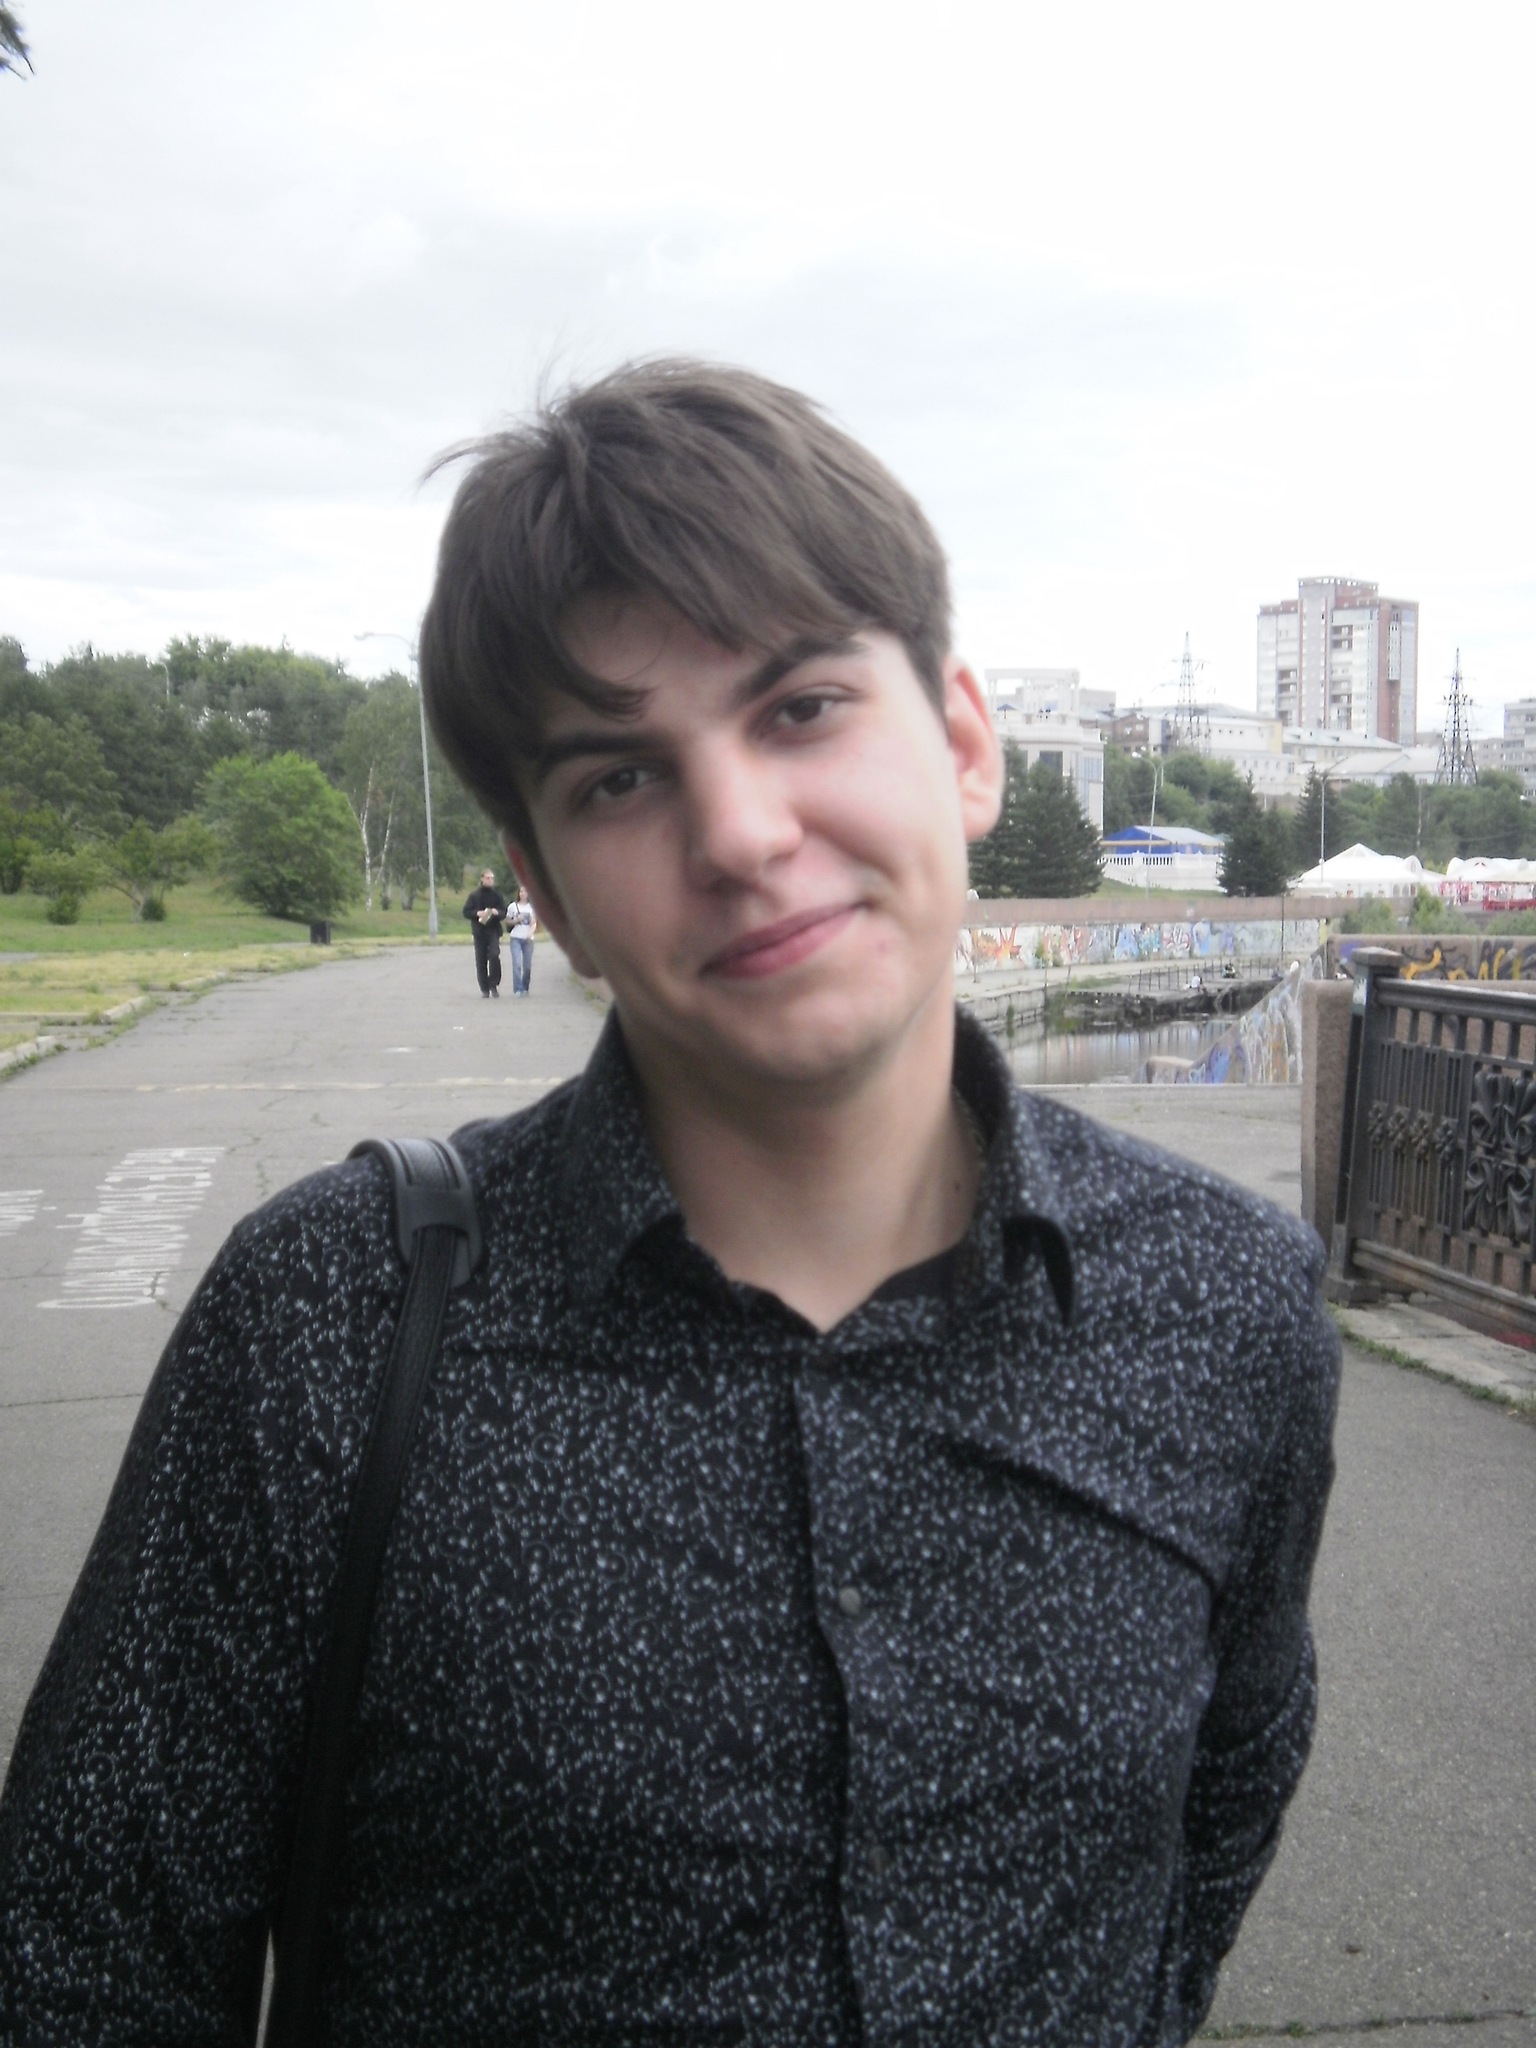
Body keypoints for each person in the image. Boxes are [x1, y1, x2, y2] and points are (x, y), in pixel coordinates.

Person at [0, 360, 1339, 2045]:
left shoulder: (1226, 1302)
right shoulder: (330, 1326)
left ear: (962, 742)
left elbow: (1210, 1823)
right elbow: (87, 1965)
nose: (742, 833)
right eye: (619, 780)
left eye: (802, 708)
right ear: (546, 894)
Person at [461, 865, 506, 996]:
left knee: (494, 954)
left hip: (493, 930)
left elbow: (504, 912)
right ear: (482, 879)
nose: (490, 880)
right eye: (488, 878)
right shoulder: (474, 895)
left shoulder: (497, 895)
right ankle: (484, 988)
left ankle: (494, 984)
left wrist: (497, 912)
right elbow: (466, 912)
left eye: (492, 878)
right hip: (479, 931)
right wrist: (477, 913)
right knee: (481, 960)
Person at [506, 883, 538, 996]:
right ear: (518, 893)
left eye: (525, 891)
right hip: (516, 937)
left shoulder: (532, 907)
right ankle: (517, 989)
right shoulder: (512, 906)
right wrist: (516, 920)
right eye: (521, 891)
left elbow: (534, 922)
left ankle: (525, 987)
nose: (523, 894)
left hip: (528, 939)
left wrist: (530, 933)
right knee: (517, 964)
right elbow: (507, 921)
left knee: (527, 966)